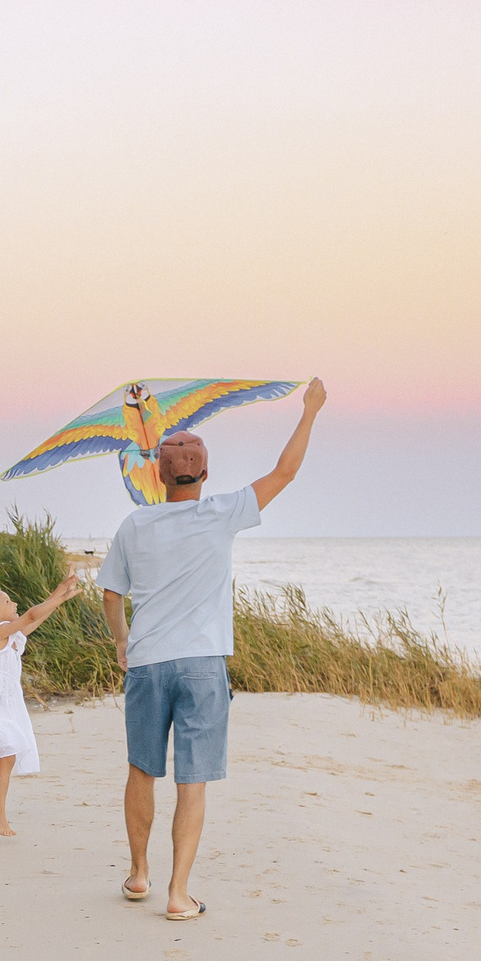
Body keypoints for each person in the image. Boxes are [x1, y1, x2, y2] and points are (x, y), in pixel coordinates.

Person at [98, 378, 327, 918]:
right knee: (192, 781)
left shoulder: (135, 523)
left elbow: (111, 593)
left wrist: (121, 642)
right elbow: (286, 472)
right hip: (202, 667)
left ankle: (138, 874)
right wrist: (310, 410)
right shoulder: (222, 512)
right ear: (204, 474)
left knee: (141, 770)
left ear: (157, 473)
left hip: (149, 663)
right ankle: (178, 894)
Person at [0, 566, 85, 836]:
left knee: (0, 762)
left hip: (5, 708)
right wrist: (63, 597)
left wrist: (62, 588)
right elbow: (33, 613)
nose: (15, 603)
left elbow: (39, 614)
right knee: (7, 753)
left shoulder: (12, 636)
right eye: (8, 602)